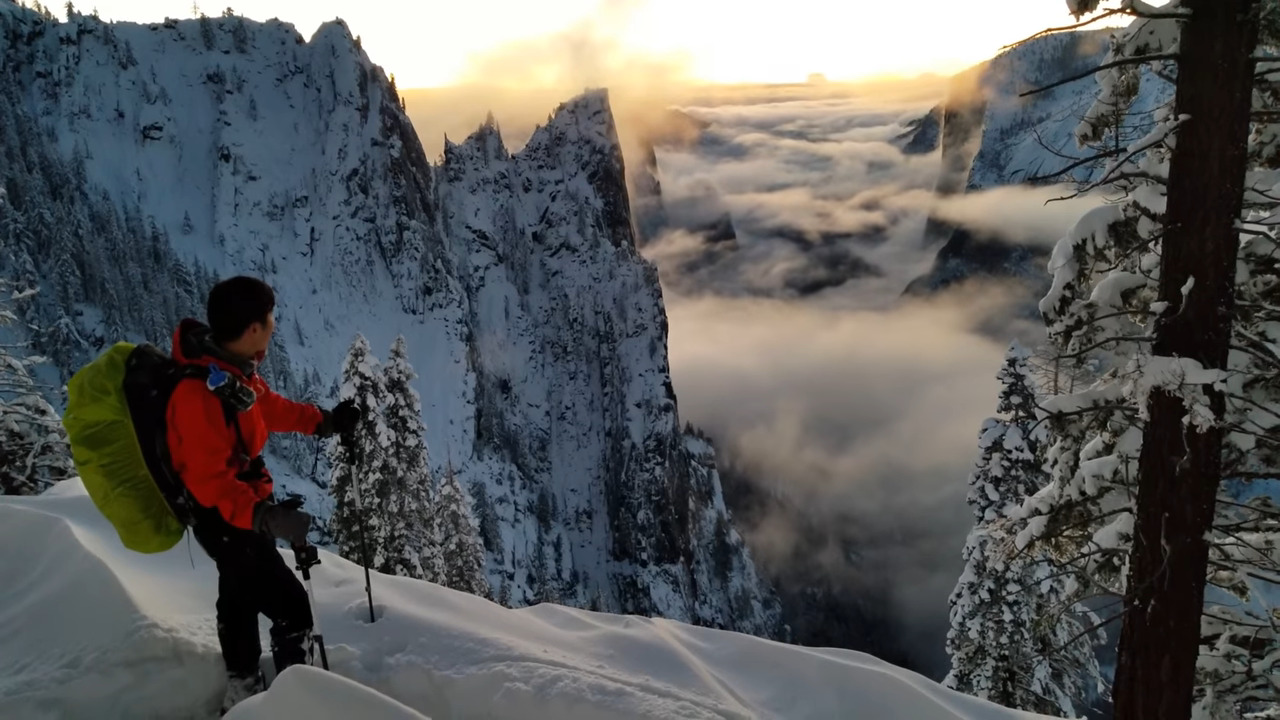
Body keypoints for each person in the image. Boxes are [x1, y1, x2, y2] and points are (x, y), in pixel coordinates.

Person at [166, 276, 358, 714]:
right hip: (226, 520)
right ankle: (293, 706)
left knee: (238, 596)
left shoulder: (229, 370)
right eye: (270, 318)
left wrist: (325, 423)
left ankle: (243, 692)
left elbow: (267, 407)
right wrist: (265, 518)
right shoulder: (196, 395)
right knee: (294, 612)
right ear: (254, 327)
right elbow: (210, 483)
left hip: (240, 514)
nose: (274, 324)